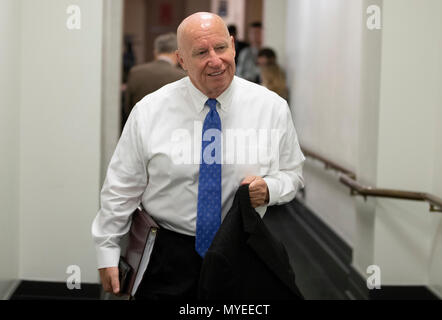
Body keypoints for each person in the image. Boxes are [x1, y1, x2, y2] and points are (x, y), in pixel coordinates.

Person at [92, 12, 305, 300]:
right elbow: (121, 186)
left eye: (220, 48)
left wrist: (270, 189)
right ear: (181, 60)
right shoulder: (150, 111)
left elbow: (293, 174)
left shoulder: (272, 108)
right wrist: (107, 249)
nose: (215, 60)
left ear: (232, 45)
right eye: (201, 52)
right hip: (167, 254)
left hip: (240, 248)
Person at [123, 33, 186, 126]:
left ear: (155, 52)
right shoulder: (182, 76)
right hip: (172, 129)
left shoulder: (136, 72)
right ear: (177, 54)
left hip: (141, 127)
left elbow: (128, 107)